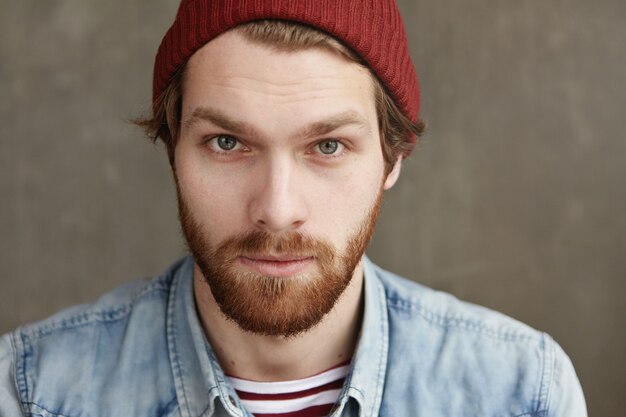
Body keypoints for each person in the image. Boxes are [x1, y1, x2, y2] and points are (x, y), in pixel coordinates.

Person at [0, 1, 587, 416]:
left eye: (327, 146)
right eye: (228, 143)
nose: (277, 211)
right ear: (171, 146)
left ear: (392, 158)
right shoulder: (32, 391)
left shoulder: (521, 391)